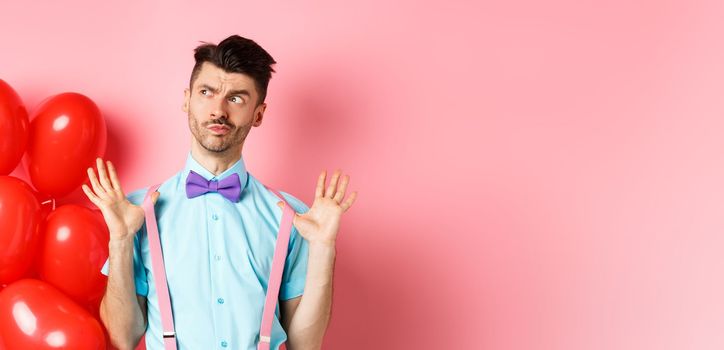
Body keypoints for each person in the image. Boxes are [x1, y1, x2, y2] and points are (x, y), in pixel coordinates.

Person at [82, 35, 357, 350]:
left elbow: (304, 345)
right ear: (187, 100)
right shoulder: (135, 212)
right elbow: (122, 337)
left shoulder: (292, 217)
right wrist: (120, 241)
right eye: (206, 93)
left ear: (258, 114)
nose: (218, 111)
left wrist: (323, 248)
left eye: (237, 98)